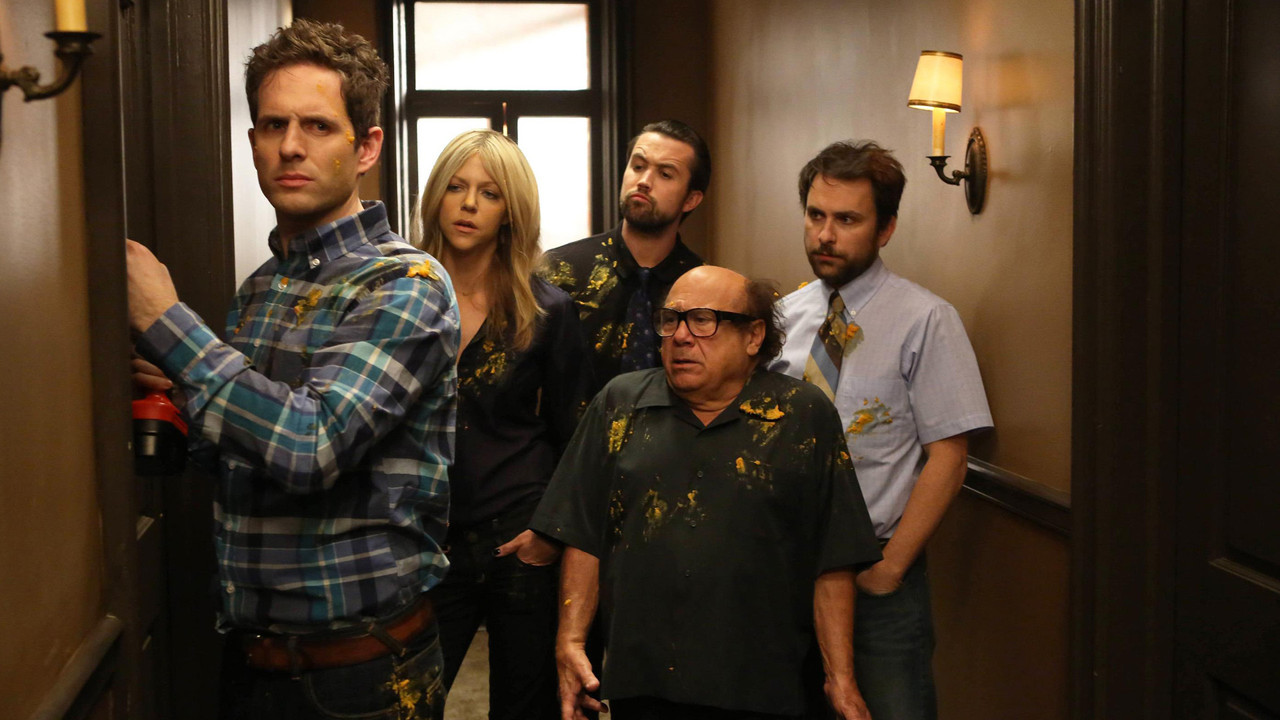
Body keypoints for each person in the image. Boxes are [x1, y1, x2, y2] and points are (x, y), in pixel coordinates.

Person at [125, 19, 457, 719]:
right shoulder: (262, 287)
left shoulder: (407, 283)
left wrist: (167, 323)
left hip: (361, 676)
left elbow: (312, 446)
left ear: (366, 147)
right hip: (253, 660)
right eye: (273, 125)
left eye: (318, 126)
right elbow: (246, 459)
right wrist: (183, 396)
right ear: (252, 141)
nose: (291, 146)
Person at [531, 266, 882, 720]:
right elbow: (583, 532)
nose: (680, 336)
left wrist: (841, 678)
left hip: (764, 682)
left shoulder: (802, 416)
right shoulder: (621, 404)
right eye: (671, 320)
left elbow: (833, 557)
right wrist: (571, 642)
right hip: (644, 678)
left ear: (753, 336)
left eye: (703, 320)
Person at [771, 140, 994, 720]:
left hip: (874, 578)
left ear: (886, 228)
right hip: (782, 572)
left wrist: (890, 569)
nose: (825, 235)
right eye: (815, 215)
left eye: (847, 220)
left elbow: (949, 456)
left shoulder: (926, 320)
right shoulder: (780, 320)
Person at [410, 129, 593, 719]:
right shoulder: (397, 296)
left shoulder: (547, 309)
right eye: (456, 187)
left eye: (489, 193)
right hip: (424, 537)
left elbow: (577, 437)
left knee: (526, 706)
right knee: (408, 702)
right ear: (436, 196)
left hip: (517, 532)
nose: (469, 204)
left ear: (510, 211)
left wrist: (549, 531)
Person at [541, 119, 710, 389]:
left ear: (691, 199)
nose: (643, 182)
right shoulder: (559, 270)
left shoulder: (703, 289)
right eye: (638, 167)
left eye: (665, 174)